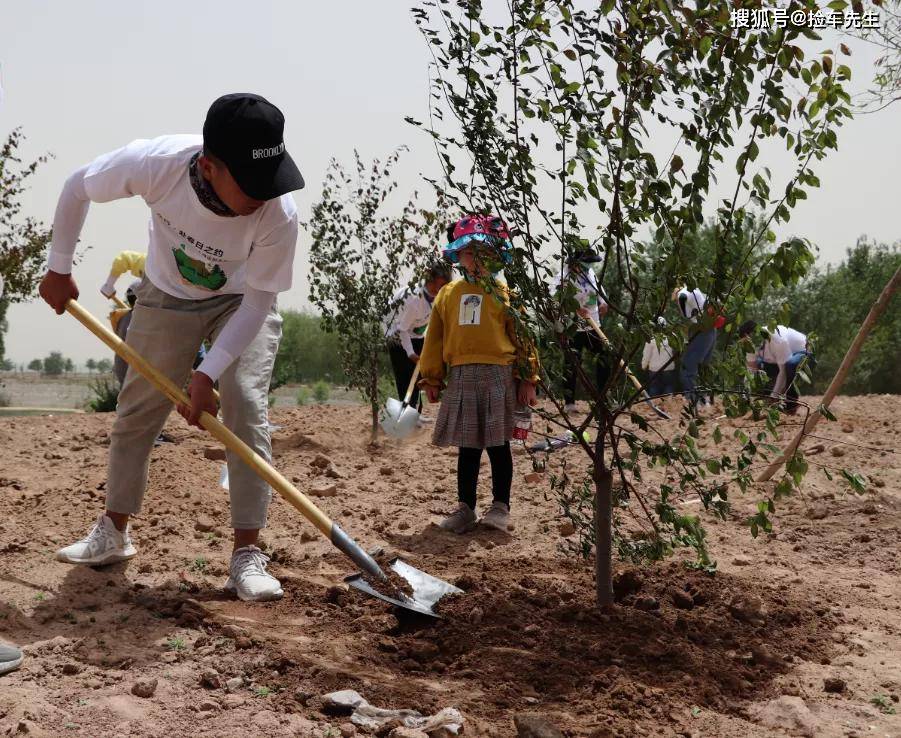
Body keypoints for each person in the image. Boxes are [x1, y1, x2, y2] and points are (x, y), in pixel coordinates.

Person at [38, 93, 304, 602]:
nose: (264, 196)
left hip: (241, 302)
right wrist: (59, 266)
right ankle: (113, 532)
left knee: (245, 406)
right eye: (251, 184)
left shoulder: (278, 215)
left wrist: (207, 376)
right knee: (137, 408)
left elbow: (257, 304)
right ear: (208, 166)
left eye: (271, 182)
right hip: (166, 294)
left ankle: (247, 553)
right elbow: (78, 186)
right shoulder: (155, 164)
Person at [419, 215, 539, 534]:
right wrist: (432, 378)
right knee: (468, 447)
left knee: (499, 445)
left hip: (498, 375)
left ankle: (500, 506)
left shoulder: (505, 294)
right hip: (461, 376)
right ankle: (465, 508)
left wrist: (528, 378)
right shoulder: (448, 295)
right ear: (458, 256)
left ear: (495, 256)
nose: (476, 259)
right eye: (469, 252)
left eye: (483, 252)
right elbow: (435, 339)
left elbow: (523, 336)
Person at [384, 259, 452, 414]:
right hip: (397, 336)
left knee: (421, 376)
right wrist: (411, 354)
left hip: (416, 335)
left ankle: (415, 411)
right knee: (406, 380)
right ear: (431, 279)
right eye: (440, 284)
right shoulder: (413, 299)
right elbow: (402, 329)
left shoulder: (439, 298)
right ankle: (405, 415)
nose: (442, 288)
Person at [552, 250, 610, 413]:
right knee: (572, 364)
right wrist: (575, 310)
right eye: (585, 264)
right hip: (573, 328)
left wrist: (603, 303)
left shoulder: (590, 273)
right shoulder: (563, 278)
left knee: (603, 360)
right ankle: (569, 403)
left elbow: (600, 293)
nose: (587, 267)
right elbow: (554, 300)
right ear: (574, 263)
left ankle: (603, 399)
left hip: (594, 326)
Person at [739, 320, 811, 414]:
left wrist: (774, 397)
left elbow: (783, 372)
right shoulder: (749, 344)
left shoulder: (777, 339)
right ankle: (766, 396)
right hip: (777, 359)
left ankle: (790, 404)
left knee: (790, 365)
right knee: (760, 366)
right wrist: (746, 394)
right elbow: (751, 369)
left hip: (802, 352)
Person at [674, 286, 717, 413]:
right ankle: (706, 402)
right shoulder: (696, 290)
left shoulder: (682, 293)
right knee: (702, 368)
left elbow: (682, 298)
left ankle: (697, 403)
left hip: (701, 330)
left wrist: (686, 314)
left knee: (688, 369)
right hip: (711, 330)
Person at [641, 317, 676, 399]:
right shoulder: (672, 337)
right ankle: (669, 406)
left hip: (654, 369)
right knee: (668, 387)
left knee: (654, 388)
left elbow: (646, 355)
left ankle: (655, 407)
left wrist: (643, 366)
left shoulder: (651, 339)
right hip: (669, 368)